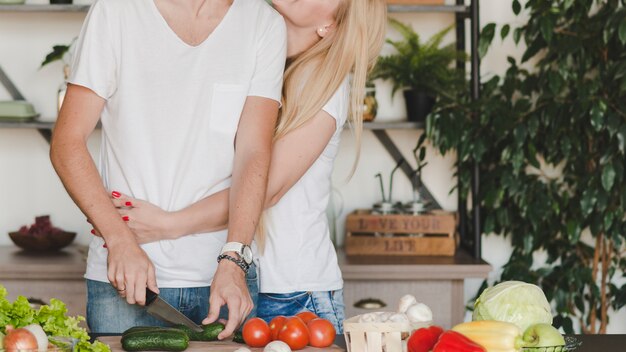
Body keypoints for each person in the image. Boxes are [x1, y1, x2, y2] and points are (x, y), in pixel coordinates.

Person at [99, 0, 387, 333]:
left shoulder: (324, 86)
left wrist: (168, 224)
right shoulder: (256, 52)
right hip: (240, 283)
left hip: (293, 294)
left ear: (331, 26)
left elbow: (267, 189)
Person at [49, 0, 286, 338]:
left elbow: (253, 152)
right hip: (124, 280)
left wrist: (235, 258)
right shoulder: (116, 11)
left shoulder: (264, 23)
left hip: (225, 281)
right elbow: (67, 142)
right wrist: (119, 240)